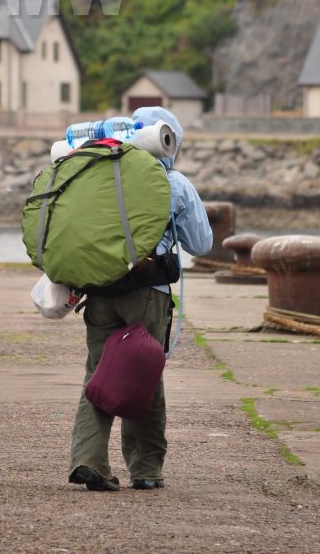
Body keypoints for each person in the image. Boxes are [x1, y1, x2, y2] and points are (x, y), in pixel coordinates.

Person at [68, 106, 212, 492]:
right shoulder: (174, 182)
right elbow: (202, 243)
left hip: (99, 289)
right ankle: (146, 468)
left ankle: (88, 459)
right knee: (141, 376)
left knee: (98, 374)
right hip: (148, 293)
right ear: (169, 141)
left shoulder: (95, 173)